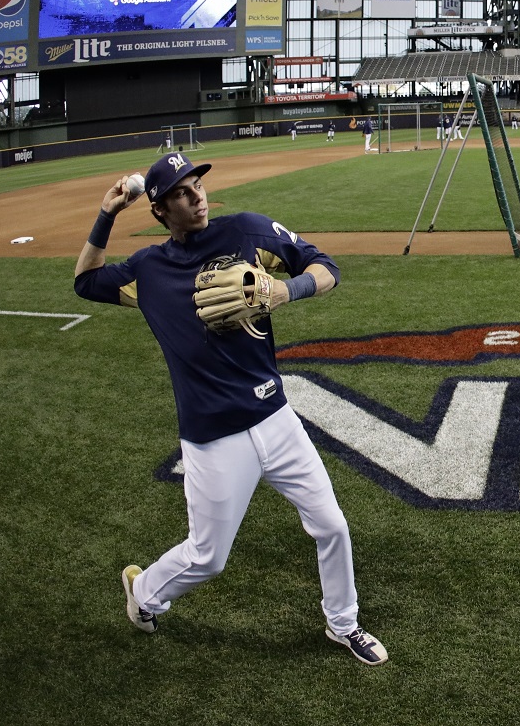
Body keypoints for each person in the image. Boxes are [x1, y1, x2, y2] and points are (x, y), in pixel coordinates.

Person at [72, 152, 387, 666]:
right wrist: (107, 214)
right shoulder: (148, 271)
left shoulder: (247, 232)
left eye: (195, 183)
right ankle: (145, 591)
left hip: (276, 418)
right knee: (208, 557)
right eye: (178, 192)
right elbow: (86, 282)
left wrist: (287, 289)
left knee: (332, 525)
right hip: (212, 437)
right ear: (159, 211)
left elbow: (326, 267)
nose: (194, 196)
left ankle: (343, 624)